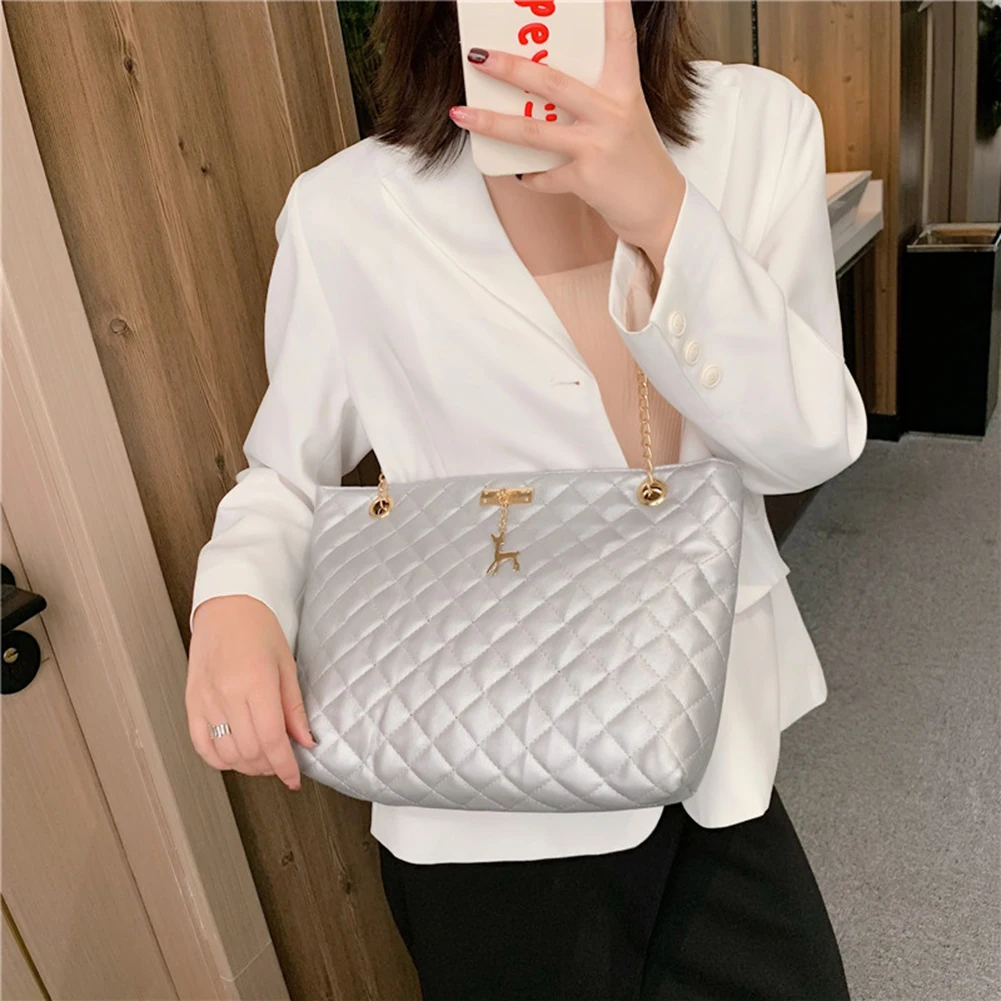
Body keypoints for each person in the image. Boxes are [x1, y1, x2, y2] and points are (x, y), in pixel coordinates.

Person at [186, 1, 865, 997]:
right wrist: (234, 598)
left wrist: (661, 213)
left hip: (705, 742)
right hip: (475, 777)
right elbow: (286, 472)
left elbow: (805, 445)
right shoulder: (346, 210)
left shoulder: (755, 129)